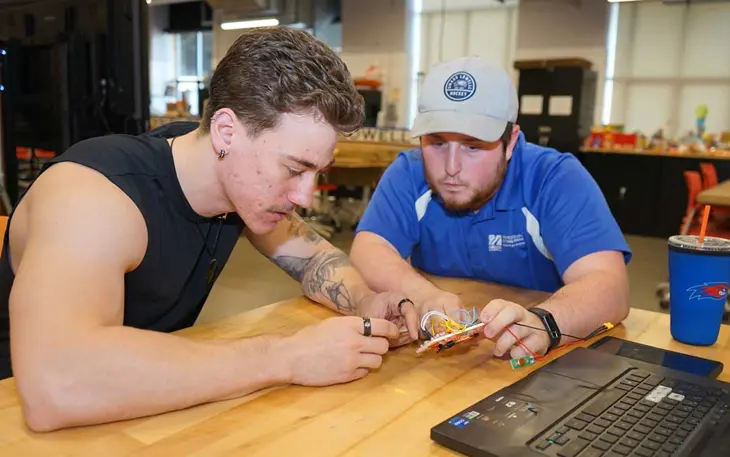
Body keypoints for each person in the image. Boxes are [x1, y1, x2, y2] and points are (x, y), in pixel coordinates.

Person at [0, 27, 420, 432]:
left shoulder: (230, 177)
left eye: (316, 173)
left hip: (139, 412)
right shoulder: (93, 196)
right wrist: (286, 356)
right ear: (225, 131)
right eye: (294, 169)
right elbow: (56, 384)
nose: (305, 197)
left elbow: (314, 260)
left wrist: (365, 299)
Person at [350, 56, 632, 361]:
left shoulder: (554, 178)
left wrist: (544, 321)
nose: (451, 168)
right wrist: (423, 295)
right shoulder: (409, 172)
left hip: (537, 367)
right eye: (437, 142)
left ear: (510, 142)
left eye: (473, 146)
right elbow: (369, 248)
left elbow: (609, 285)